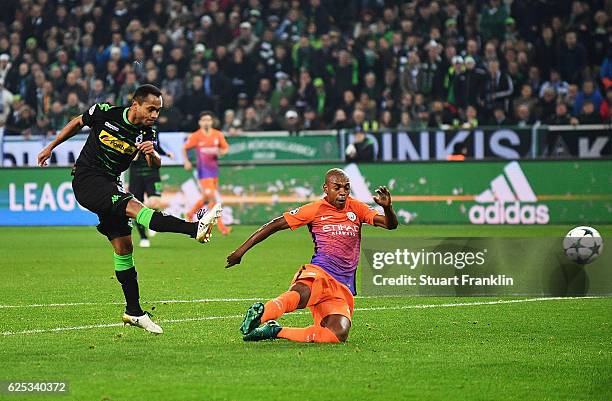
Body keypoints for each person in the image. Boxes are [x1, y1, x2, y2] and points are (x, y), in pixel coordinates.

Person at [37, 85, 222, 334]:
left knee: (124, 247)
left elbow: (153, 163)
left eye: (158, 110)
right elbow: (78, 122)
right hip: (88, 179)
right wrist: (51, 146)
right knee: (136, 208)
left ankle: (134, 311)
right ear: (135, 104)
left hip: (111, 183)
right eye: (151, 109)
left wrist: (152, 153)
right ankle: (193, 229)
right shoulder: (106, 113)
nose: (155, 114)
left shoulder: (147, 132)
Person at [226, 168, 398, 343]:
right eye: (337, 187)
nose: (342, 192)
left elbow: (390, 225)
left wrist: (388, 208)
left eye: (346, 188)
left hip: (342, 286)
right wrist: (241, 251)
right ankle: (261, 315)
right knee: (299, 294)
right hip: (320, 273)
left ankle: (275, 331)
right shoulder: (315, 209)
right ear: (326, 188)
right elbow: (275, 225)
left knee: (337, 335)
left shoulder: (357, 208)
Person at [183, 111, 231, 235]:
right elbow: (184, 148)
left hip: (214, 171)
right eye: (204, 120)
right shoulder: (196, 136)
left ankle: (189, 214)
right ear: (200, 122)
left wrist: (220, 152)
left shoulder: (218, 135)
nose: (206, 122)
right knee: (212, 198)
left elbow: (225, 148)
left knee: (206, 198)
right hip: (203, 172)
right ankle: (222, 227)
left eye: (208, 120)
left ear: (212, 122)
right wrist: (186, 161)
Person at [129, 134, 174, 248]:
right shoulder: (129, 131)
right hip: (135, 177)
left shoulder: (152, 131)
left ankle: (151, 223)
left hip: (152, 174)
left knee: (154, 203)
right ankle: (143, 237)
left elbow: (156, 146)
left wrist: (165, 153)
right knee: (135, 208)